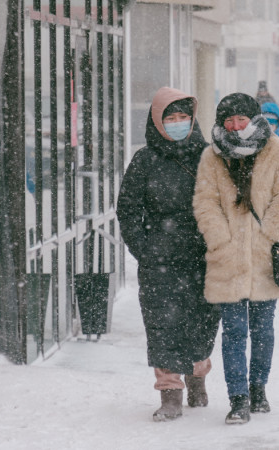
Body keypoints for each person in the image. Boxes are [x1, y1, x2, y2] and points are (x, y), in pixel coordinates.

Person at [193, 93, 279, 425]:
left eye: (242, 119)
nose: (236, 126)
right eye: (229, 120)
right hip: (227, 259)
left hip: (266, 256)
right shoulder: (212, 156)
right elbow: (205, 201)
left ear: (254, 120)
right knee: (234, 332)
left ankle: (258, 389)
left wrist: (268, 235)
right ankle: (237, 398)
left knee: (263, 330)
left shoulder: (278, 151)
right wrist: (221, 240)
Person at [116, 87, 221, 422]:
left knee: (203, 323)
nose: (177, 124)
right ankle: (170, 392)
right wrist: (146, 249)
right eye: (170, 118)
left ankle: (197, 373)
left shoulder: (210, 157)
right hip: (160, 261)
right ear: (157, 122)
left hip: (205, 259)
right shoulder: (145, 161)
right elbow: (128, 210)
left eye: (183, 118)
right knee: (163, 325)